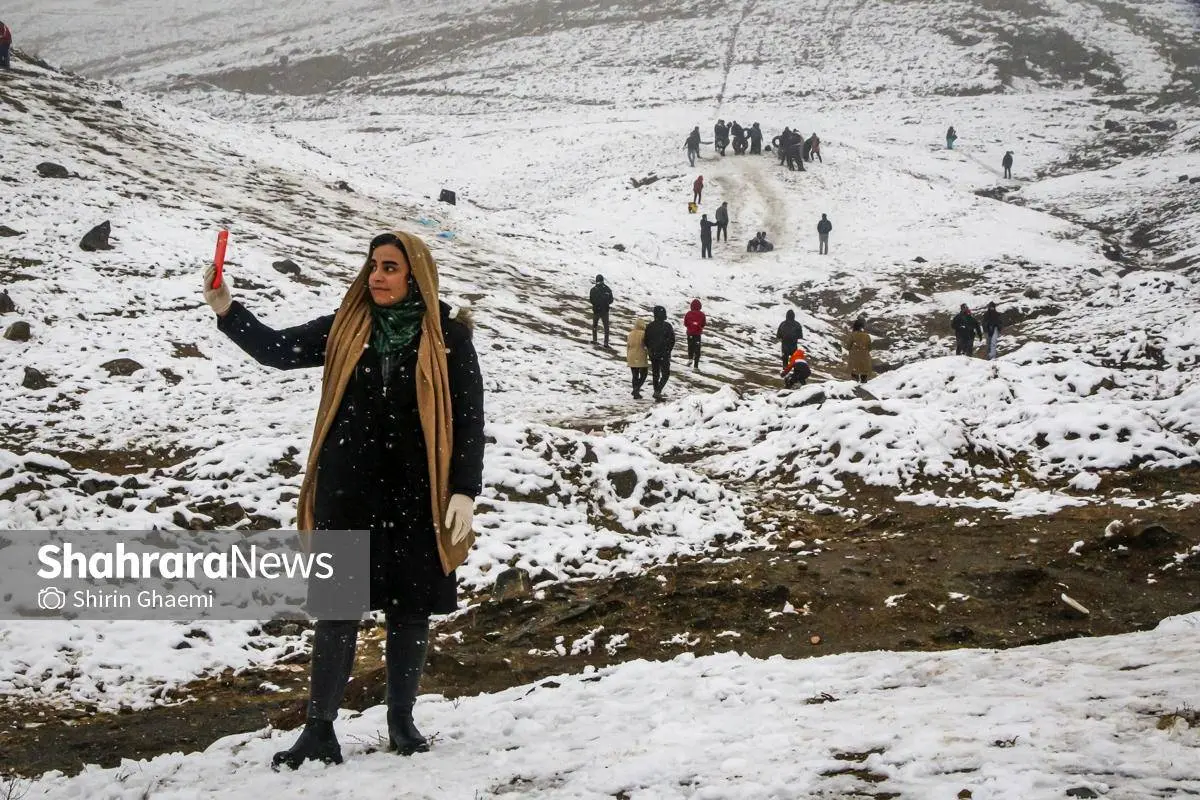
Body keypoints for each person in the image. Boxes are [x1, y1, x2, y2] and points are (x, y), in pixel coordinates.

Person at [203, 231, 485, 769]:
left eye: (390, 267)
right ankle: (319, 731)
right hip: (347, 490)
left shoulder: (448, 335)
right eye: (373, 265)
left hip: (417, 495)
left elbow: (470, 418)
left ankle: (401, 722)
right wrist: (226, 309)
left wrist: (465, 490)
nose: (377, 276)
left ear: (416, 276)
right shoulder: (347, 324)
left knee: (410, 611)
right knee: (336, 612)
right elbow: (276, 351)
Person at [644, 305, 676, 401]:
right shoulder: (667, 326)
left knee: (655, 374)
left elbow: (646, 340)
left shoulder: (650, 326)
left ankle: (656, 392)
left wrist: (650, 349)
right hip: (664, 354)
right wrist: (668, 350)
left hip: (653, 354)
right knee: (665, 374)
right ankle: (657, 391)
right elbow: (672, 340)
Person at [626, 318, 649, 398]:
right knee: (644, 374)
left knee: (635, 375)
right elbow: (646, 345)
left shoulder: (630, 334)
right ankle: (636, 389)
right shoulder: (644, 334)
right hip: (640, 355)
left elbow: (628, 346)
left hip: (631, 356)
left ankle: (636, 393)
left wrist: (628, 356)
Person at [589, 274, 614, 347]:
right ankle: (606, 343)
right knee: (606, 327)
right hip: (605, 311)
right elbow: (611, 300)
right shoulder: (607, 289)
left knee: (595, 326)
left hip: (596, 310)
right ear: (603, 280)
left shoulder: (593, 290)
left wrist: (596, 305)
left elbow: (591, 300)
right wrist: (605, 303)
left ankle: (595, 340)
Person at [684, 299, 706, 370]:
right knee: (697, 349)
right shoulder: (702, 314)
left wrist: (690, 326)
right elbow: (703, 324)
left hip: (690, 333)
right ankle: (696, 366)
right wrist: (699, 326)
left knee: (690, 346)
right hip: (697, 334)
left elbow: (685, 323)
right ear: (700, 306)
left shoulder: (688, 313)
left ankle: (690, 359)